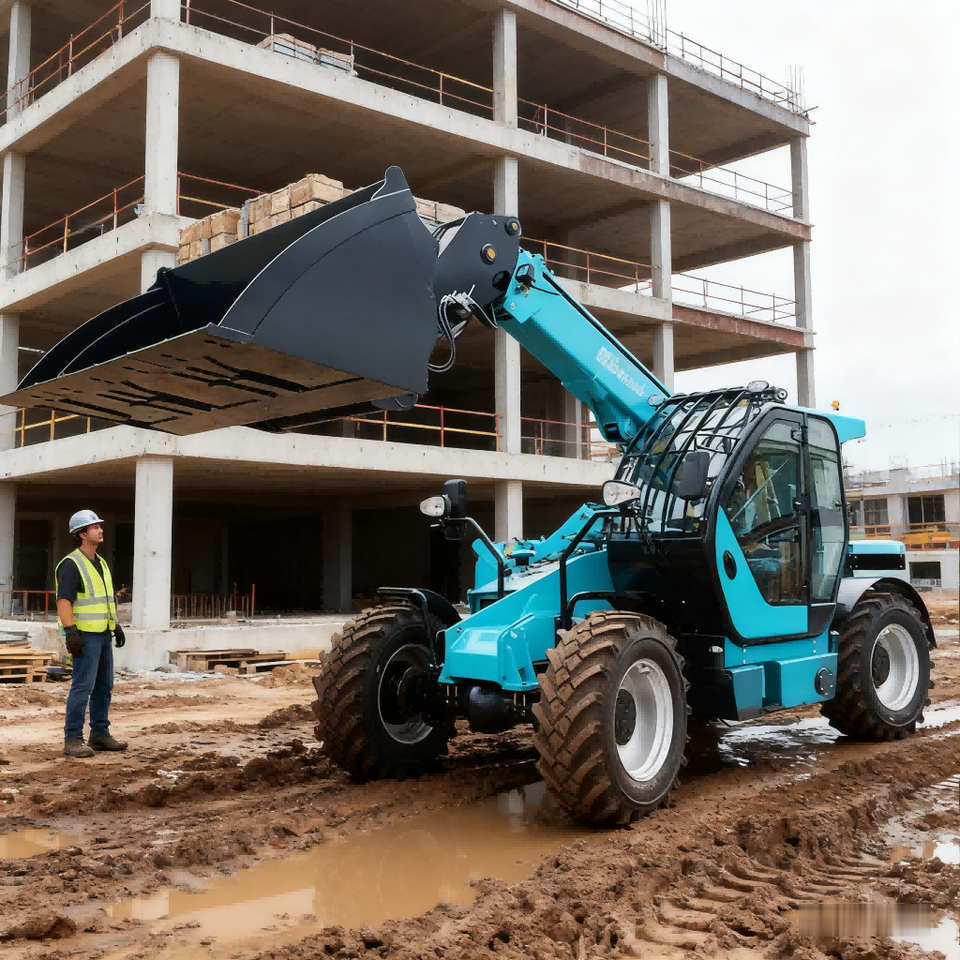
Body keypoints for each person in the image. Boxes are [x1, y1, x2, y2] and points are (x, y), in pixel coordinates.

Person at [56, 509, 128, 758]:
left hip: (103, 634)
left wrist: (115, 625)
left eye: (99, 526)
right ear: (82, 534)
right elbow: (64, 601)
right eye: (95, 527)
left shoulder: (101, 563)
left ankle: (99, 734)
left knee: (104, 686)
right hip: (85, 636)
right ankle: (72, 738)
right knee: (82, 687)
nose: (100, 529)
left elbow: (106, 599)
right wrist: (70, 632)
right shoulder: (71, 564)